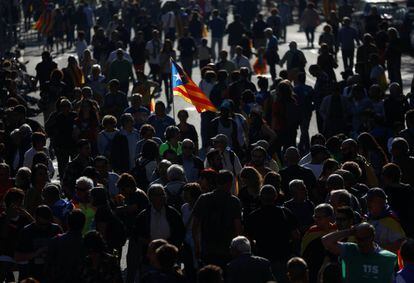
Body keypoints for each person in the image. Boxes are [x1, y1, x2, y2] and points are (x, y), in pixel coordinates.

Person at [245, 184, 298, 282]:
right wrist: (292, 249)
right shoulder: (285, 212)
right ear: (276, 196)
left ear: (260, 197)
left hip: (262, 256)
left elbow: (248, 238)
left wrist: (254, 249)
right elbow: (295, 235)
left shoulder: (254, 216)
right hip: (283, 255)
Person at [192, 170, 242, 268]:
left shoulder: (203, 198)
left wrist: (197, 246)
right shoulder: (234, 201)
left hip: (207, 248)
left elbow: (195, 226)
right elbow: (238, 227)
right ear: (230, 184)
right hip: (228, 249)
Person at [322, 222, 397, 283]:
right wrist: (350, 231)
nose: (361, 243)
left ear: (372, 237)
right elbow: (326, 241)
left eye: (364, 239)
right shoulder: (350, 249)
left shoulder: (388, 258)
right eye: (358, 239)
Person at [15, 205, 62, 281]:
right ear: (35, 218)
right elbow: (18, 256)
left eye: (47, 224)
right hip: (32, 274)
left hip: (52, 274)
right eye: (41, 224)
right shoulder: (27, 232)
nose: (44, 227)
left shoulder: (56, 229)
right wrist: (37, 253)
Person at [133, 184, 185, 249]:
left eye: (163, 194)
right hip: (150, 251)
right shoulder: (143, 215)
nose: (162, 197)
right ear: (150, 197)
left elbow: (180, 232)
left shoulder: (173, 213)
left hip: (169, 250)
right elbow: (137, 235)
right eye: (158, 195)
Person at [0, 188, 33, 283]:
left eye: (20, 202)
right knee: (4, 267)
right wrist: (8, 218)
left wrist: (28, 215)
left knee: (22, 275)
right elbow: (3, 235)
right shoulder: (2, 218)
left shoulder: (24, 218)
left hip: (22, 253)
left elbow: (36, 228)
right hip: (6, 253)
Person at [44, 209, 85, 282]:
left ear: (67, 223)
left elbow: (48, 266)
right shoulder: (85, 243)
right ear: (83, 224)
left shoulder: (56, 240)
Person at [301, 203, 336, 283]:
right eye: (315, 217)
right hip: (314, 271)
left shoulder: (337, 230)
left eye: (319, 218)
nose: (316, 220)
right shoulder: (311, 232)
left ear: (329, 218)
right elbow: (303, 253)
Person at [365, 188, 406, 253]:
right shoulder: (366, 219)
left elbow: (400, 245)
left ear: (382, 203)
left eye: (371, 201)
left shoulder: (391, 222)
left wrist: (375, 247)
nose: (368, 203)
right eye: (367, 200)